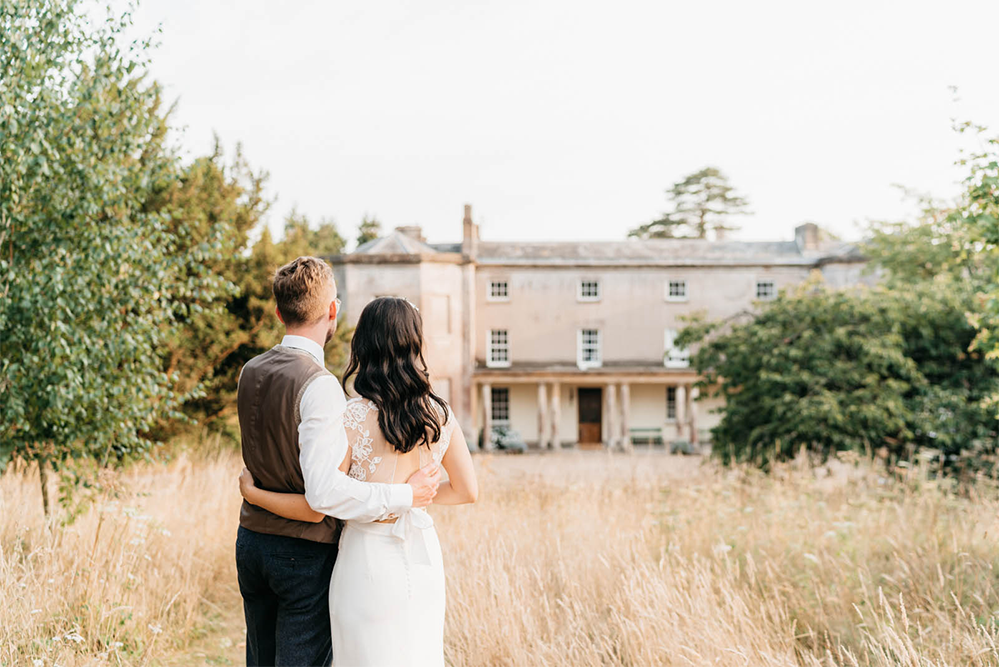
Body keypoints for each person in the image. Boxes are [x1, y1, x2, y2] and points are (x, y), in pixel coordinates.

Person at [241, 295, 478, 667]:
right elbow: (467, 491)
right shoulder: (440, 414)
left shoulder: (351, 415)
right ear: (415, 344)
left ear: (363, 345)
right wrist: (417, 496)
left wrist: (254, 493)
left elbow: (323, 497)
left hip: (365, 559)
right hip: (423, 557)